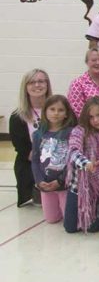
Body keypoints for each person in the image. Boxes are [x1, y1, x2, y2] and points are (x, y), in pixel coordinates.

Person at [64, 96, 99, 233]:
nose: (95, 120)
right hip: (79, 186)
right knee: (70, 228)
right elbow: (73, 152)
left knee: (92, 228)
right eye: (91, 117)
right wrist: (87, 164)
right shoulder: (79, 131)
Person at [31, 95, 77, 223]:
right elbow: (35, 160)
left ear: (67, 114)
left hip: (64, 184)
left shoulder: (71, 133)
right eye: (52, 109)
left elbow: (72, 161)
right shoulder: (38, 134)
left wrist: (60, 181)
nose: (56, 113)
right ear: (45, 111)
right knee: (51, 220)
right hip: (45, 184)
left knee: (68, 219)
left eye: (60, 110)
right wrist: (39, 181)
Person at [10, 68, 52, 207]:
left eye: (41, 81)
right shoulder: (17, 117)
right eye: (32, 82)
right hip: (31, 163)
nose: (37, 85)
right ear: (25, 87)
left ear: (47, 85)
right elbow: (22, 149)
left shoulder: (57, 109)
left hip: (58, 162)